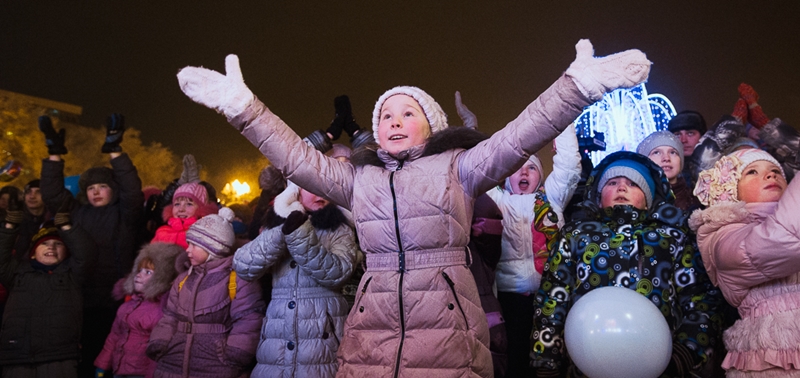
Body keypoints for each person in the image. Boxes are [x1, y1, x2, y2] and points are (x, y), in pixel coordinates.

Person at [176, 39, 651, 377]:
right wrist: (241, 107)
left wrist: (577, 86)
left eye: (408, 113)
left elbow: (521, 134)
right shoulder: (359, 179)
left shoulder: (459, 167)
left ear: (432, 125)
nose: (394, 121)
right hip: (372, 326)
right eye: (386, 114)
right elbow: (296, 158)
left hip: (445, 324)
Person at [531, 151, 724, 377]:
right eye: (612, 182)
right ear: (598, 194)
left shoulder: (672, 238)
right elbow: (552, 298)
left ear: (649, 198)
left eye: (633, 183)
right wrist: (546, 362)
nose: (622, 187)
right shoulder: (576, 235)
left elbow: (699, 299)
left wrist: (685, 354)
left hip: (659, 365)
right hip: (586, 362)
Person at [38, 114, 145, 376]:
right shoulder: (77, 212)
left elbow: (132, 190)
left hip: (115, 298)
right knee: (83, 357)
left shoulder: (125, 214)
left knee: (111, 356)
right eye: (90, 188)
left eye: (102, 186)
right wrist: (54, 154)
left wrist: (115, 151)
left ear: (113, 190)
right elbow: (52, 194)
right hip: (80, 295)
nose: (95, 192)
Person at [690, 148, 800, 376]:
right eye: (752, 172)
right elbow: (782, 240)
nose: (771, 176)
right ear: (732, 191)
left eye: (776, 171)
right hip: (774, 356)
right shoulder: (724, 237)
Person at [234, 181, 358, 377]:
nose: (320, 194)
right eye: (311, 186)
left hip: (322, 338)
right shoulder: (274, 225)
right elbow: (243, 266)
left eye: (324, 187)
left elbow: (337, 273)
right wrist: (282, 231)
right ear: (295, 190)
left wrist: (299, 233)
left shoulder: (339, 228)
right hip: (277, 336)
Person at [486, 125, 580, 377]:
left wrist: (564, 123)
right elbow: (478, 170)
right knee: (515, 358)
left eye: (531, 167)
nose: (523, 172)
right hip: (509, 297)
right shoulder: (498, 201)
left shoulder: (552, 199)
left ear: (540, 175)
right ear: (506, 176)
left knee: (550, 361)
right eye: (516, 168)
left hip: (550, 296)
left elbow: (569, 166)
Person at [146, 208, 264, 378]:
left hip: (216, 363)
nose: (188, 250)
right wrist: (161, 342)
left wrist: (235, 353)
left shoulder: (237, 279)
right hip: (174, 360)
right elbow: (170, 316)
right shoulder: (183, 279)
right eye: (189, 244)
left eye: (194, 245)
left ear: (214, 249)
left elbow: (248, 320)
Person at [0, 197, 97, 378]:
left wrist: (67, 226)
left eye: (58, 244)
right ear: (33, 252)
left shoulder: (72, 274)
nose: (51, 247)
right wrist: (10, 226)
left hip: (59, 357)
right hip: (16, 356)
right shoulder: (16, 273)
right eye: (44, 243)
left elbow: (87, 253)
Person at [94, 242, 183, 378]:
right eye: (139, 270)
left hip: (141, 373)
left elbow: (158, 352)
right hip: (120, 370)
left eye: (148, 272)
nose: (138, 275)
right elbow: (114, 336)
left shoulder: (163, 310)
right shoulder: (127, 306)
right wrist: (102, 365)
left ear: (163, 278)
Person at [637, 130, 702, 212]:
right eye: (656, 152)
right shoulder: (637, 200)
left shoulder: (698, 200)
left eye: (673, 152)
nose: (666, 158)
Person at [151, 182, 218, 249]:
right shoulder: (162, 231)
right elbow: (150, 253)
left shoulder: (203, 234)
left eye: (189, 204)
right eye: (177, 204)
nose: (181, 209)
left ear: (201, 208)